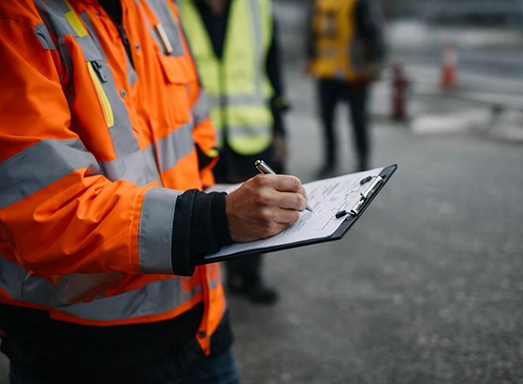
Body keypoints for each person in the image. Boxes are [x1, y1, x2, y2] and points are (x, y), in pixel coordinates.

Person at [0, 1, 308, 383]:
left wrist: (221, 210)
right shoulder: (15, 20)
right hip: (88, 351)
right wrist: (215, 218)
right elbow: (48, 213)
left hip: (203, 324)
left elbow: (196, 136)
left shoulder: (155, 7)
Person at [178, 0, 290, 305]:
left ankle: (248, 278)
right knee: (202, 212)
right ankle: (206, 287)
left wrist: (280, 128)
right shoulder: (173, 7)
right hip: (197, 135)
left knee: (257, 208)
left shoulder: (258, 7)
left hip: (250, 131)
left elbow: (272, 68)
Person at [305, 0, 386, 177]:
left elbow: (373, 30)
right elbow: (313, 31)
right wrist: (310, 56)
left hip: (354, 72)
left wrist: (373, 61)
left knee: (358, 118)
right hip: (326, 70)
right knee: (327, 119)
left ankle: (363, 163)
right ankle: (330, 160)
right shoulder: (320, 3)